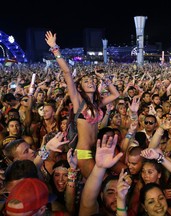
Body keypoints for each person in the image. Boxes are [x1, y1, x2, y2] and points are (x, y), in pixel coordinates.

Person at [45, 31, 120, 179]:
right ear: (80, 87)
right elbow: (67, 72)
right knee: (102, 182)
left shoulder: (97, 104)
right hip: (83, 151)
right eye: (86, 81)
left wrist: (104, 78)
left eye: (92, 80)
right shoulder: (78, 101)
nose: (91, 82)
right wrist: (55, 48)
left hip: (96, 149)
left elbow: (115, 95)